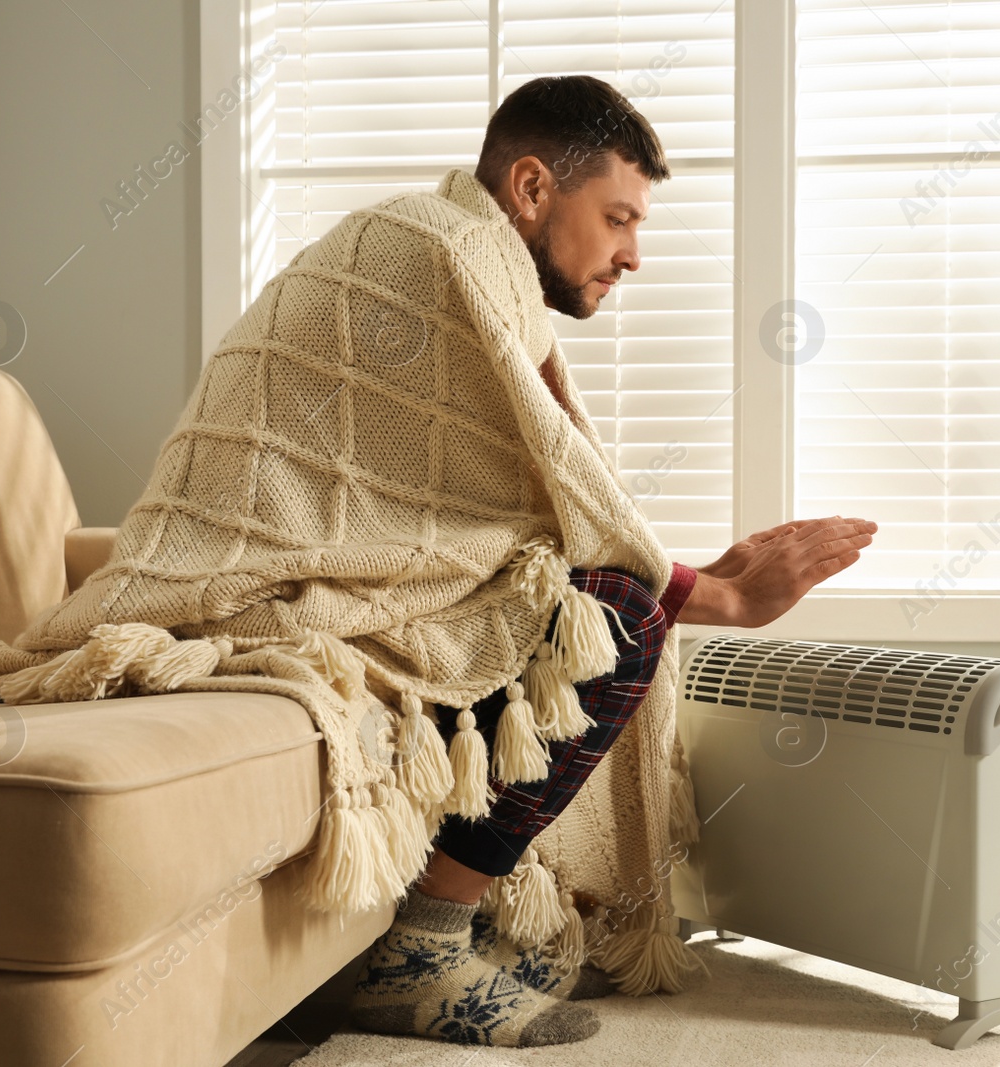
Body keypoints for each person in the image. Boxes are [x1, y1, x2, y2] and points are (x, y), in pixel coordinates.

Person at [345, 75, 878, 1048]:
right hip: (278, 588)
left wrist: (690, 578)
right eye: (619, 217)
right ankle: (415, 956)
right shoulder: (444, 248)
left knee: (617, 595)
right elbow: (499, 509)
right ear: (534, 187)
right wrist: (703, 590)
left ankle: (440, 932)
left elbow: (502, 508)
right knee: (619, 613)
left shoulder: (463, 254)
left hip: (359, 577)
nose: (632, 252)